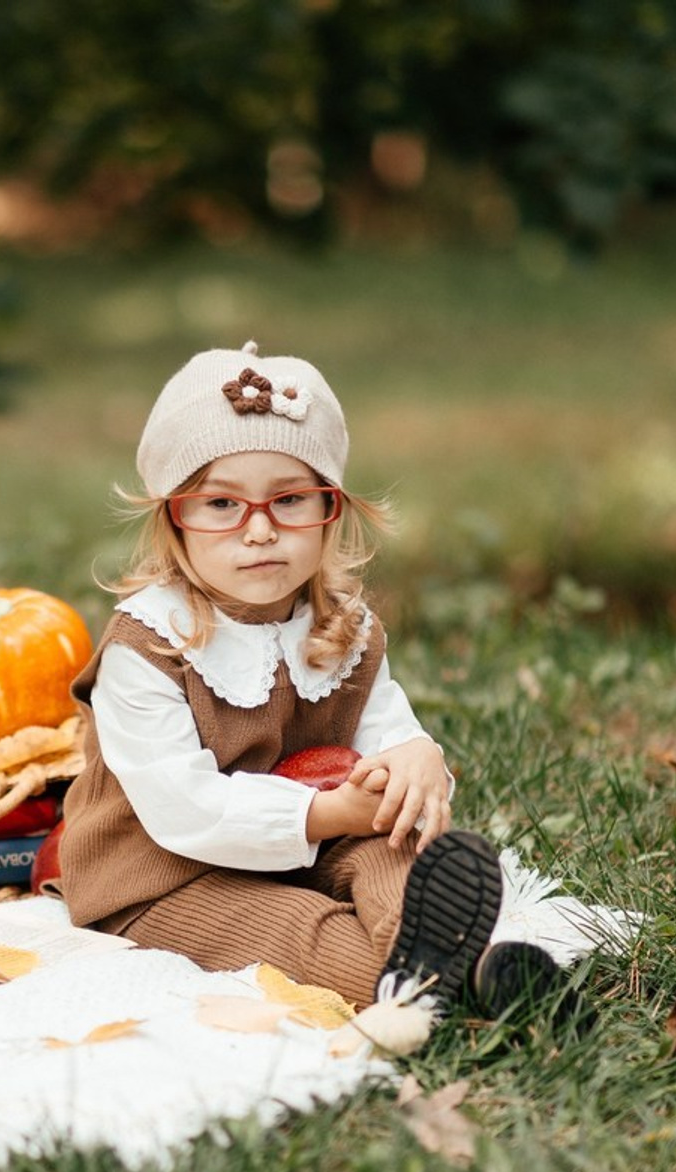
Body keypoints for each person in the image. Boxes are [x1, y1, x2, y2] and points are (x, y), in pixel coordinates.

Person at [57, 341, 563, 1020]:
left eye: (290, 499)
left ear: (334, 509)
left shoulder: (343, 630)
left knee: (392, 849)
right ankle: (447, 986)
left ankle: (451, 951)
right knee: (292, 924)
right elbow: (186, 809)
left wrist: (415, 760)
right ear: (172, 518)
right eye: (221, 505)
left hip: (311, 840)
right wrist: (327, 815)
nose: (260, 530)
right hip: (168, 876)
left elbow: (385, 735)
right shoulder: (148, 649)